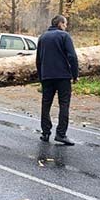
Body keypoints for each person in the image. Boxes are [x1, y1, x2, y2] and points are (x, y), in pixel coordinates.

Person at [36, 15, 78, 146]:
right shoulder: (64, 36)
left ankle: (45, 132)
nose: (66, 26)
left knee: (46, 104)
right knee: (64, 104)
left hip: (47, 76)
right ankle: (61, 134)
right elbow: (72, 56)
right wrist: (75, 74)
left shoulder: (42, 37)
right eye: (65, 24)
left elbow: (38, 59)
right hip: (63, 76)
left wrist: (41, 76)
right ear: (60, 23)